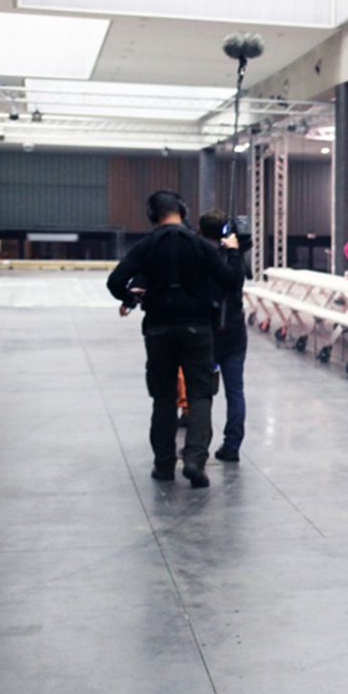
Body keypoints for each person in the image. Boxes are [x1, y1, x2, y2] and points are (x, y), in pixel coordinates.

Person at [106, 190, 242, 488]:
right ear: (183, 211)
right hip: (197, 330)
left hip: (158, 330)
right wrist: (233, 251)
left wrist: (131, 297)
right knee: (200, 395)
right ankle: (194, 460)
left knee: (163, 398)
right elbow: (231, 282)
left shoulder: (146, 246)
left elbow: (115, 282)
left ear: (153, 216)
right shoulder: (200, 245)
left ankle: (164, 465)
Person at [197, 209, 250, 462]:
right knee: (235, 391)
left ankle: (198, 445)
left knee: (202, 392)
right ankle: (232, 445)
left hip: (206, 331)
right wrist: (234, 249)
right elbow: (238, 279)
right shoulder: (232, 256)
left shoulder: (199, 256)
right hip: (234, 332)